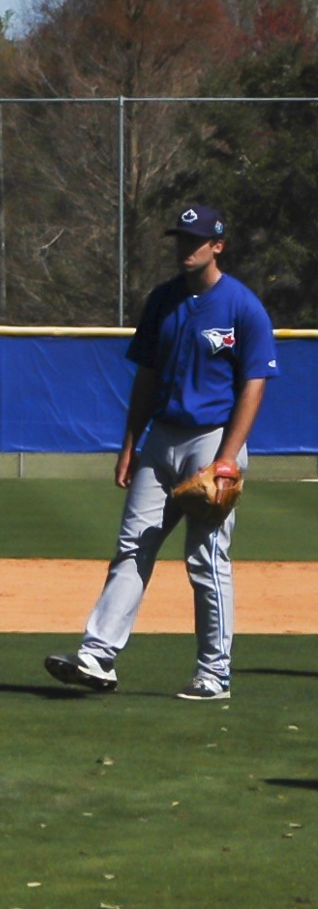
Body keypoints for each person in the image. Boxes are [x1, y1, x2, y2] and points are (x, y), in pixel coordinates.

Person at [46, 204, 277, 701]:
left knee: (206, 558)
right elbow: (146, 378)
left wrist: (228, 458)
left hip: (212, 439)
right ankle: (98, 656)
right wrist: (130, 442)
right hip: (161, 440)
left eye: (195, 239)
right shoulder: (163, 301)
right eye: (179, 238)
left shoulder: (242, 307)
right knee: (133, 546)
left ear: (218, 245)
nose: (184, 247)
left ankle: (214, 673)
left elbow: (253, 386)